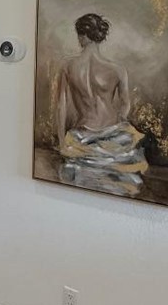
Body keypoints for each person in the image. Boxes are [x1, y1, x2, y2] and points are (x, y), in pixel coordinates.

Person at [55, 12, 148, 195]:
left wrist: (61, 142)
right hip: (113, 135)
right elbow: (125, 105)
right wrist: (118, 125)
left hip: (82, 135)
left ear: (82, 36)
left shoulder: (68, 67)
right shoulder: (117, 69)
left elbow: (61, 107)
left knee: (82, 189)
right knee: (117, 189)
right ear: (99, 36)